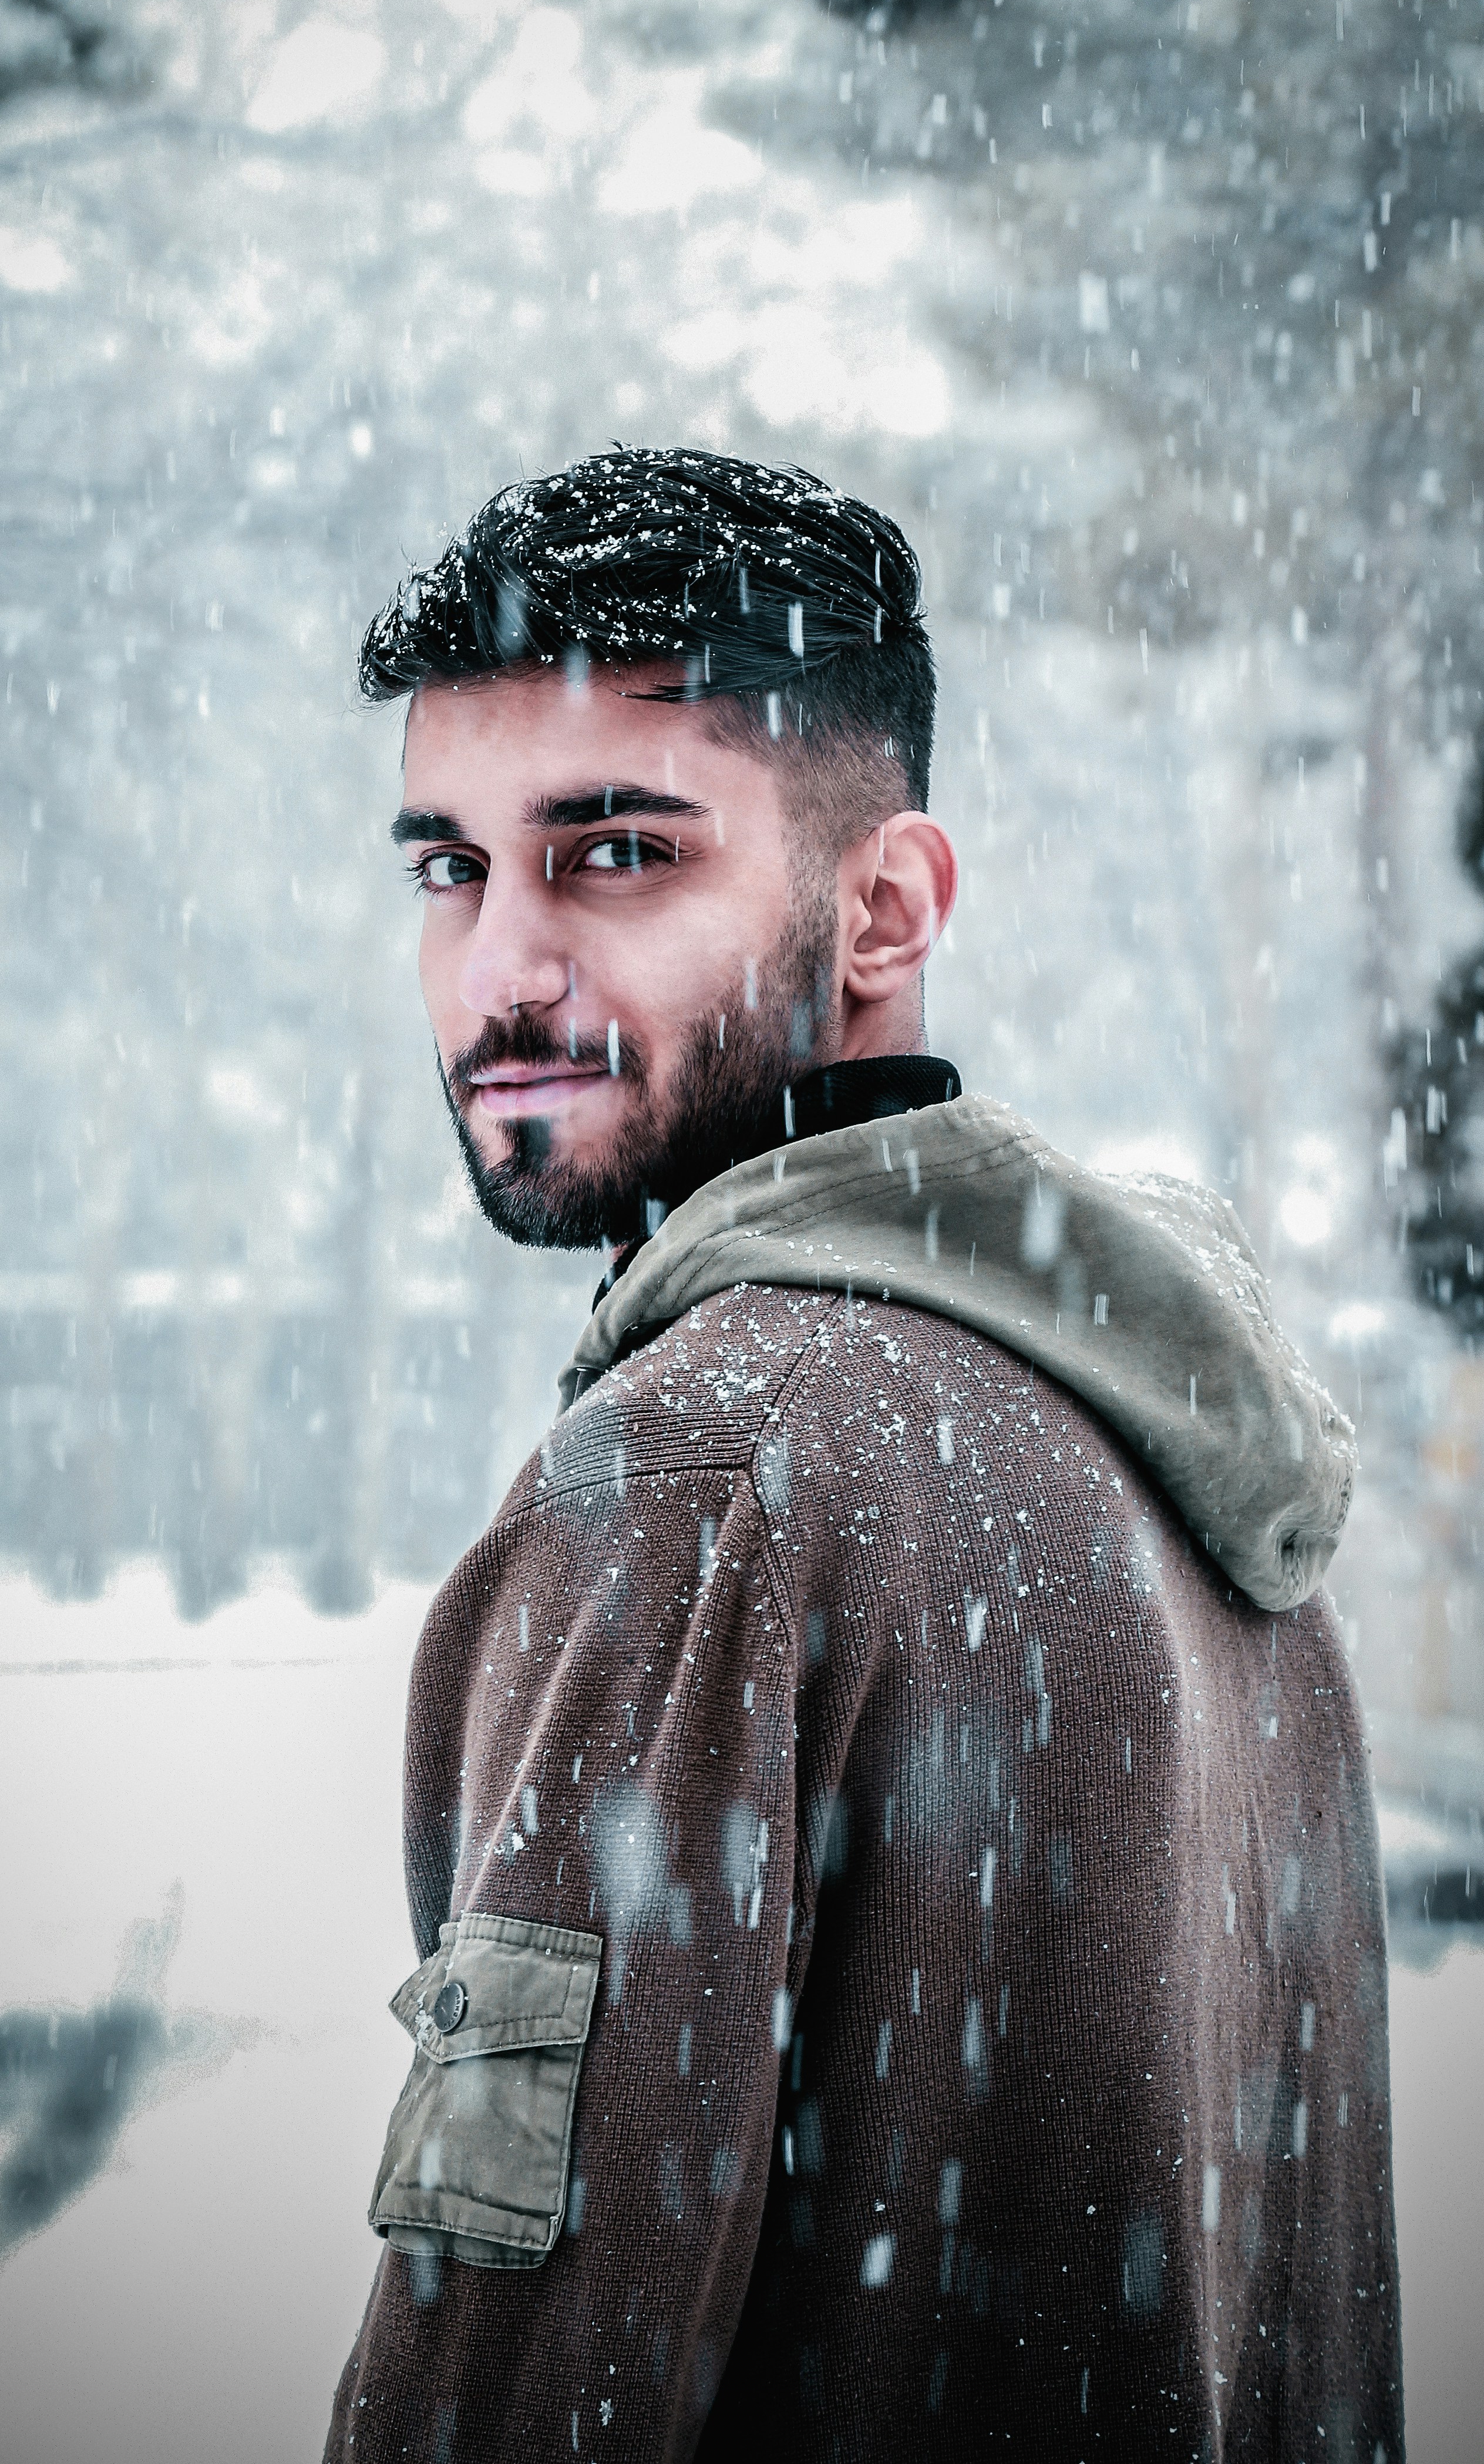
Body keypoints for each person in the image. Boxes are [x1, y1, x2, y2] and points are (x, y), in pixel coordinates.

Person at [324, 447, 1401, 2462]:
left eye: (617, 852)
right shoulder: (1170, 1437)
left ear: (884, 905)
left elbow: (515, 2381)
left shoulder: (695, 1482)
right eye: (449, 866)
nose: (500, 968)